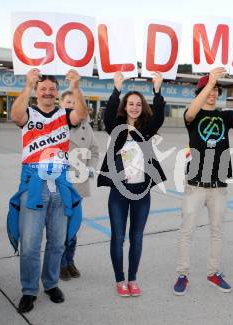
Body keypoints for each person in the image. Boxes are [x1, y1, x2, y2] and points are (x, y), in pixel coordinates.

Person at [8, 69, 87, 313]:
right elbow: (15, 115)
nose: (48, 92)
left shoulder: (64, 114)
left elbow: (82, 114)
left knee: (56, 242)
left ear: (56, 92)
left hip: (60, 184)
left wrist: (75, 87)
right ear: (37, 92)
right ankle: (29, 290)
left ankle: (51, 284)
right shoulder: (29, 113)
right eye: (43, 88)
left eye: (52, 88)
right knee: (30, 244)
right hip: (34, 184)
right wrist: (28, 85)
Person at [173, 67, 233, 296]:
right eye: (209, 89)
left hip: (218, 185)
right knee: (187, 231)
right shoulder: (194, 114)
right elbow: (189, 114)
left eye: (216, 89)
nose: (213, 93)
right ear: (201, 91)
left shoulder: (224, 116)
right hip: (195, 184)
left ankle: (213, 272)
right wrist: (210, 82)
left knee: (217, 231)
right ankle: (182, 274)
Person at [97, 71, 166, 297]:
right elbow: (107, 115)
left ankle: (133, 279)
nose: (135, 107)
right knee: (118, 236)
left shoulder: (147, 128)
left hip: (141, 191)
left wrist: (157, 91)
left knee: (137, 237)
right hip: (119, 190)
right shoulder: (115, 126)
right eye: (131, 104)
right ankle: (119, 280)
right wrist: (117, 89)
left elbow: (159, 117)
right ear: (125, 107)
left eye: (138, 104)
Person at [60, 91, 100, 281]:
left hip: (79, 183)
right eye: (68, 102)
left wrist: (91, 168)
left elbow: (94, 150)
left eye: (74, 103)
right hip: (59, 184)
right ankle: (59, 264)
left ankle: (70, 261)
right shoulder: (55, 125)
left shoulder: (86, 126)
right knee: (59, 228)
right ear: (61, 104)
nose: (71, 106)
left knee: (73, 227)